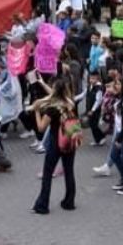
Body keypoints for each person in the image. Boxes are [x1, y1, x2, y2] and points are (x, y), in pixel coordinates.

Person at [31, 79, 78, 214]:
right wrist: (42, 83)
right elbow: (55, 93)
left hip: (55, 142)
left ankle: (42, 204)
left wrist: (36, 111)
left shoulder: (52, 109)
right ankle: (69, 201)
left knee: (47, 173)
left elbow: (41, 128)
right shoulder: (70, 103)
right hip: (69, 139)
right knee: (69, 171)